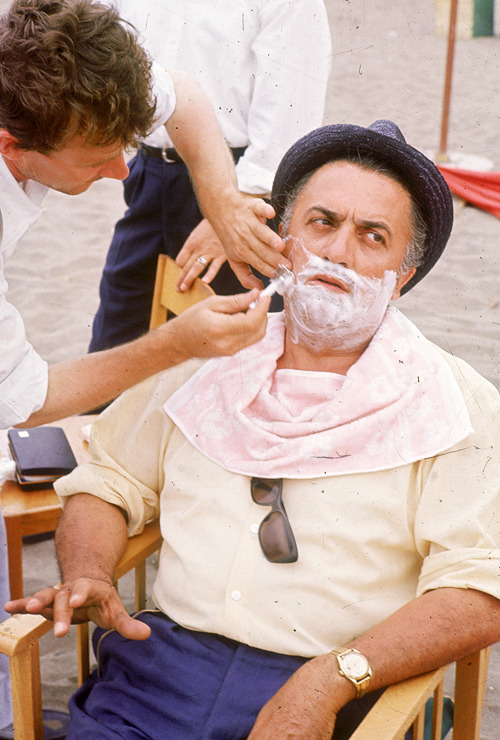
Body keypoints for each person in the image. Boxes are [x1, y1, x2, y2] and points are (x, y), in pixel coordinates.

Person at [7, 120, 500, 739]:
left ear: (400, 277)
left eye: (373, 237)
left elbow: (478, 587)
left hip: (339, 688)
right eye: (322, 223)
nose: (338, 251)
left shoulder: (455, 404)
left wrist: (330, 681)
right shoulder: (206, 353)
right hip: (158, 676)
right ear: (284, 239)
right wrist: (89, 574)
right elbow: (107, 479)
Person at [0, 0, 277, 731]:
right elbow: (28, 398)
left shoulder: (77, 78)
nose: (121, 169)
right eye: (97, 158)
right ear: (12, 144)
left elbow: (182, 95)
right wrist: (176, 345)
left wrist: (220, 199)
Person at [88, 0, 332, 352]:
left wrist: (231, 210)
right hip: (148, 172)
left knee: (237, 355)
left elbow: (291, 116)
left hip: (242, 181)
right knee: (116, 339)